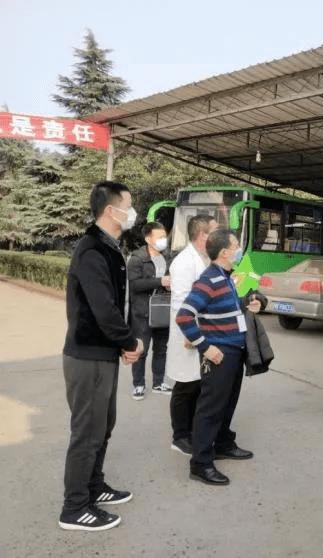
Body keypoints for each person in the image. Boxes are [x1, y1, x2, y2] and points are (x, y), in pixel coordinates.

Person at [59, 181, 144, 531]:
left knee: (103, 426)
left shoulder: (108, 246)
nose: (132, 212)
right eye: (128, 204)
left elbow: (116, 305)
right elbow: (104, 310)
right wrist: (130, 342)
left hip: (102, 354)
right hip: (88, 357)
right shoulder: (92, 249)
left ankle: (94, 486)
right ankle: (75, 507)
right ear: (111, 211)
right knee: (87, 432)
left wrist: (121, 344)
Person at [176, 229, 261, 485]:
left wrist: (249, 304)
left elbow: (225, 309)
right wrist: (205, 346)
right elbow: (184, 316)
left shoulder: (226, 277)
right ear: (224, 252)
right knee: (210, 410)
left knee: (227, 404)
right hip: (219, 355)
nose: (239, 250)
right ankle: (200, 464)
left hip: (234, 352)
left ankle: (223, 443)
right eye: (236, 246)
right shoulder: (209, 280)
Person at [166, 215, 219, 456]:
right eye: (214, 232)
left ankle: (192, 431)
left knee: (197, 384)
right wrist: (190, 332)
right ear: (202, 235)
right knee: (185, 386)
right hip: (188, 335)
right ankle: (179, 437)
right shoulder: (184, 262)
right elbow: (180, 302)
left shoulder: (204, 258)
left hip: (202, 332)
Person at [127, 221, 172, 400]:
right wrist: (159, 281)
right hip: (143, 312)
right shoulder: (137, 258)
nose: (163, 240)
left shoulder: (167, 256)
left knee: (161, 349)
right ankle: (138, 384)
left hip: (162, 310)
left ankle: (158, 382)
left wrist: (169, 284)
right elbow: (134, 284)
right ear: (148, 238)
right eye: (159, 237)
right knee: (141, 349)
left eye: (164, 237)